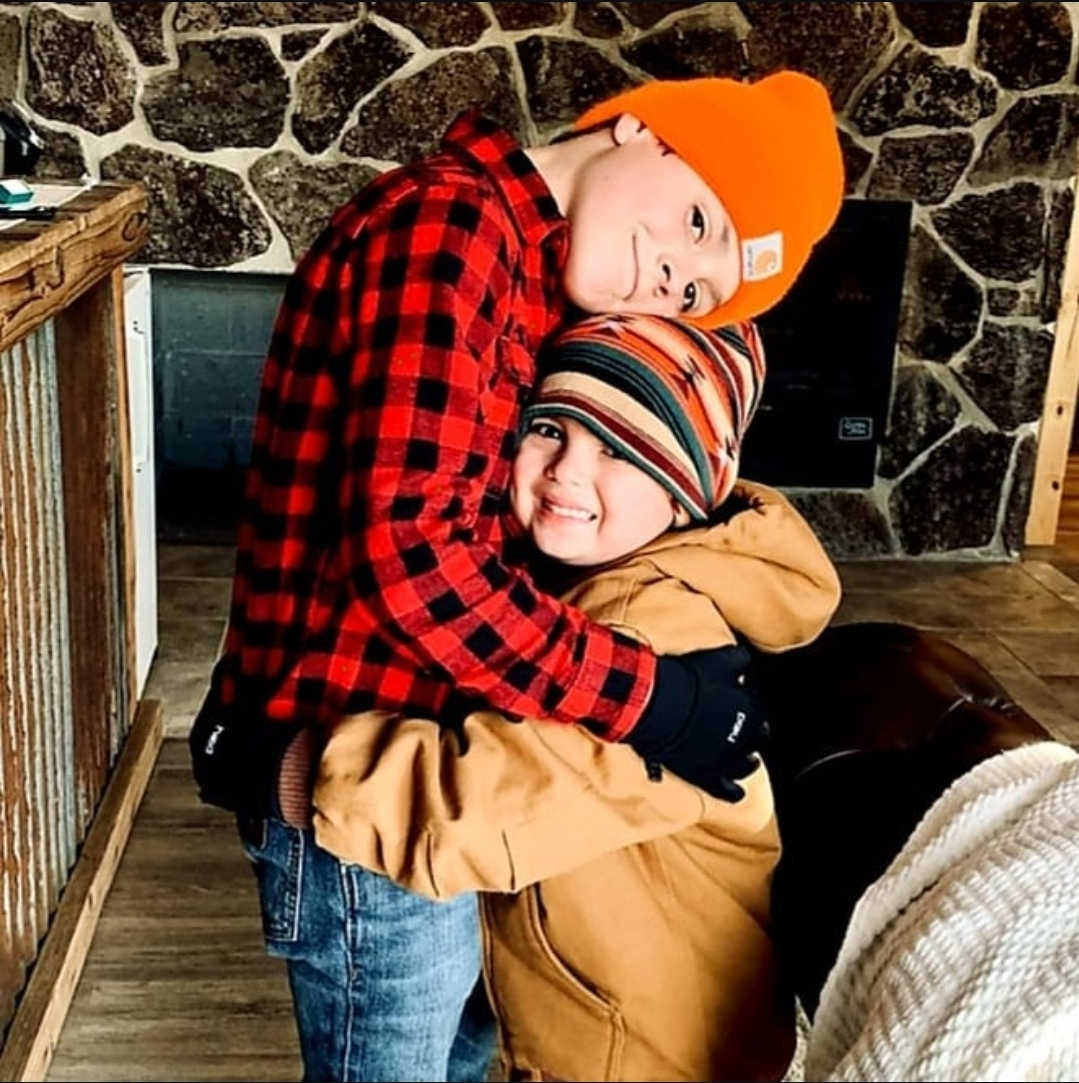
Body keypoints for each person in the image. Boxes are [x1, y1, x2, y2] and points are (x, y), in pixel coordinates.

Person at [188, 72, 844, 1082]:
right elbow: (415, 557)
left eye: (687, 293)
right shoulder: (451, 229)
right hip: (356, 784)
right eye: (693, 222)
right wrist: (649, 699)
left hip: (427, 769)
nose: (660, 274)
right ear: (641, 127)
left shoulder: (532, 278)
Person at [312, 312, 842, 1082]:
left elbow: (480, 806)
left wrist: (298, 764)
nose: (565, 469)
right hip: (602, 1023)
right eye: (551, 427)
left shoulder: (653, 628)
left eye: (621, 450)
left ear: (688, 490)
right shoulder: (574, 580)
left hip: (646, 1057)